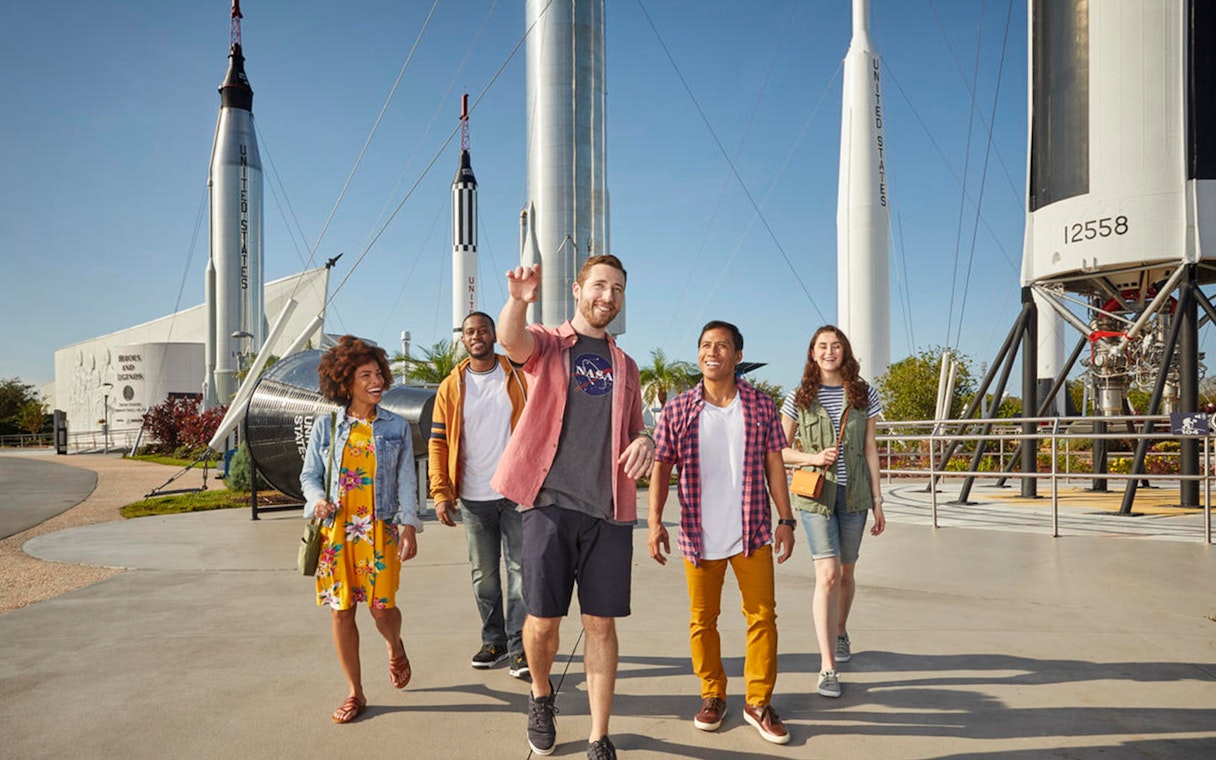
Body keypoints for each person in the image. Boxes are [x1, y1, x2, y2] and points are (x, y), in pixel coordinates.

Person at [491, 255, 653, 760]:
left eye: (618, 289)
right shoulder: (549, 343)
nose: (608, 296)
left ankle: (599, 734)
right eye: (600, 285)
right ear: (579, 289)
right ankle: (542, 697)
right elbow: (509, 341)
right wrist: (517, 301)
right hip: (549, 504)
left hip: (608, 513)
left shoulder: (626, 365)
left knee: (601, 624)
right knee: (543, 621)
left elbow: (634, 426)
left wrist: (645, 439)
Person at [647, 320, 797, 746]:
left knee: (762, 617)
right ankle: (712, 694)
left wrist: (785, 519)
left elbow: (775, 467)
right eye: (706, 345)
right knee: (702, 621)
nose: (712, 352)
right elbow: (661, 468)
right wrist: (656, 522)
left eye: (723, 346)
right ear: (699, 354)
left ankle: (758, 702)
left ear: (737, 355)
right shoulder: (678, 409)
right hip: (698, 535)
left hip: (751, 533)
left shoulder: (760, 405)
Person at [299, 335, 422, 724]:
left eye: (378, 374)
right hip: (337, 534)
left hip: (378, 529)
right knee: (341, 611)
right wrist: (316, 498)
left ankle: (394, 645)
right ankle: (355, 692)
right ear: (345, 382)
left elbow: (406, 479)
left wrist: (409, 525)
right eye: (365, 375)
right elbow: (309, 475)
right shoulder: (327, 425)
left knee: (383, 610)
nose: (376, 381)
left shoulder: (395, 427)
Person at [780, 325, 885, 700]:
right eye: (822, 346)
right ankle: (827, 666)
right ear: (812, 353)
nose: (829, 352)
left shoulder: (863, 394)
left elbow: (871, 448)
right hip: (816, 496)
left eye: (835, 346)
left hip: (854, 496)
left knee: (846, 573)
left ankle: (840, 630)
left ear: (845, 352)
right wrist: (812, 456)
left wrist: (878, 500)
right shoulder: (798, 397)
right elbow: (779, 450)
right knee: (826, 575)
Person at [428, 311, 530, 678]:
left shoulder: (518, 376)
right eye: (470, 331)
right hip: (472, 497)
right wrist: (441, 493)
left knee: (520, 574)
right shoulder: (450, 387)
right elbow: (438, 442)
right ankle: (494, 641)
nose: (477, 336)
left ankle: (520, 647)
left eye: (483, 330)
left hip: (516, 493)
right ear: (463, 339)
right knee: (483, 576)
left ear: (493, 336)